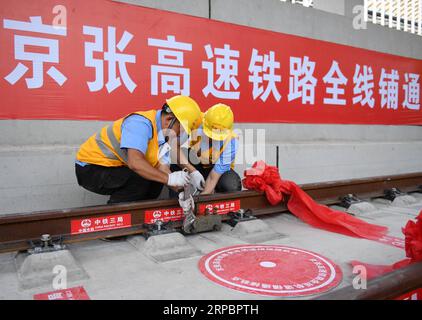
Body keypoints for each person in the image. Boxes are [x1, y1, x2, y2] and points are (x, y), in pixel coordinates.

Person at [75, 95, 202, 204]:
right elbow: (135, 162)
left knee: (156, 180)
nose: (179, 135)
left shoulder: (163, 136)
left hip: (114, 167)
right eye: (180, 130)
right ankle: (117, 215)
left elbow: (162, 168)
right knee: (139, 178)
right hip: (91, 168)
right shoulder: (140, 123)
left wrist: (182, 192)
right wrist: (169, 179)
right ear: (169, 119)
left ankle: (139, 215)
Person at [172, 103, 242, 196]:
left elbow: (214, 176)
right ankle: (180, 195)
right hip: (197, 162)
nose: (212, 138)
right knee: (175, 159)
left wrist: (202, 198)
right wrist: (193, 171)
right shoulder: (195, 120)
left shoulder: (232, 141)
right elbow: (174, 146)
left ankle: (215, 198)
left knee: (230, 185)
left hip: (217, 171)